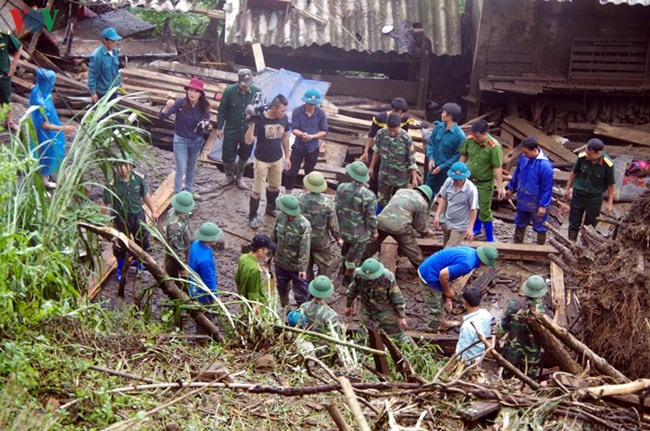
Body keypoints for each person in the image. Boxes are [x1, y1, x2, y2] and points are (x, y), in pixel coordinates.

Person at [102, 152, 158, 281]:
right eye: (119, 165)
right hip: (120, 218)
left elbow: (145, 195)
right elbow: (105, 202)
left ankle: (140, 262)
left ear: (131, 166)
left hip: (137, 215)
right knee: (120, 244)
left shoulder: (138, 179)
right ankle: (121, 269)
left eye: (125, 165)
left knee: (142, 240)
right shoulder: (112, 184)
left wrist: (153, 210)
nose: (122, 168)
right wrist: (102, 221)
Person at [418, 246, 499, 332]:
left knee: (442, 299)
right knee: (435, 307)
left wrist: (447, 293)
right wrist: (447, 290)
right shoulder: (467, 264)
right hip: (429, 275)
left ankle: (443, 323)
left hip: (434, 268)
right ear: (484, 261)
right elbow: (443, 274)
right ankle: (432, 331)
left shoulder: (471, 252)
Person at [159, 77, 211, 197]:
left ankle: (187, 193)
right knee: (181, 169)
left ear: (200, 94)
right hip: (180, 141)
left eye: (196, 91)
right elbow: (162, 116)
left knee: (191, 169)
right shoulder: (180, 103)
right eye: (190, 90)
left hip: (196, 141)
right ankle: (177, 196)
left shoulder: (204, 106)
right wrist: (167, 106)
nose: (192, 93)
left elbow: (207, 120)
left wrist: (206, 124)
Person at [245, 94, 291, 229]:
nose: (284, 113)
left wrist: (287, 157)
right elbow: (248, 140)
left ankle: (270, 208)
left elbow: (285, 138)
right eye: (282, 110)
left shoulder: (284, 119)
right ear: (274, 108)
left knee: (274, 187)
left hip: (277, 159)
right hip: (261, 160)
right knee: (257, 190)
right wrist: (251, 124)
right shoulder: (260, 120)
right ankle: (253, 216)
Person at [363, 185, 434, 269]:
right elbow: (420, 226)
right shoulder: (422, 203)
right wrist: (426, 232)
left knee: (369, 247)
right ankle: (423, 269)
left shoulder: (401, 191)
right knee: (413, 251)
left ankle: (353, 264)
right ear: (427, 198)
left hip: (381, 221)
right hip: (400, 228)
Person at [345, 258, 411, 346]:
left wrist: (401, 316)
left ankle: (404, 350)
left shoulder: (387, 278)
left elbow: (396, 297)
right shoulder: (358, 275)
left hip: (385, 311)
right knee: (363, 336)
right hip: (367, 309)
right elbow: (352, 290)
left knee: (396, 336)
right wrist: (348, 305)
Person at [459, 119, 505, 242]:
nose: (474, 138)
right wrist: (458, 170)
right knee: (471, 205)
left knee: (484, 209)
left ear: (485, 134)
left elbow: (497, 167)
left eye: (477, 136)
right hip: (469, 180)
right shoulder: (469, 141)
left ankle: (490, 237)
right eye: (473, 135)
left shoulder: (494, 147)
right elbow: (464, 156)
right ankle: (476, 228)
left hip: (485, 183)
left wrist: (500, 186)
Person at [29, 69, 76, 187]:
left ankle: (44, 179)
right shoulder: (39, 100)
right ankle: (39, 184)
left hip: (48, 131)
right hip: (44, 134)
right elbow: (43, 124)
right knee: (46, 155)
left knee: (46, 155)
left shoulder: (40, 91)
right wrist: (63, 128)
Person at [216, 68, 262, 189]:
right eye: (244, 85)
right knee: (227, 154)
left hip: (248, 131)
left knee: (245, 154)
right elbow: (222, 110)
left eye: (248, 85)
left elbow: (261, 113)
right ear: (238, 82)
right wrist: (219, 127)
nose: (246, 88)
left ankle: (239, 178)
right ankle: (229, 176)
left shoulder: (257, 92)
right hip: (232, 128)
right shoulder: (229, 91)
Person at [497, 275, 549, 379]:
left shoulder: (514, 305)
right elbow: (550, 335)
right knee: (528, 384)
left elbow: (501, 329)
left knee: (508, 382)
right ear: (542, 292)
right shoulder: (545, 312)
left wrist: (496, 340)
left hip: (512, 354)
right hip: (532, 357)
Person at [563, 138, 615, 242]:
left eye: (590, 154)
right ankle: (571, 243)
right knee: (573, 222)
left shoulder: (608, 164)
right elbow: (574, 172)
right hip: (578, 195)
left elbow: (611, 184)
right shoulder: (582, 157)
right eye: (586, 152)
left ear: (598, 153)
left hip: (594, 199)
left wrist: (609, 202)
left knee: (590, 225)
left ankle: (584, 246)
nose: (587, 155)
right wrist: (567, 188)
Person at [336, 161, 378, 287]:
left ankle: (342, 269)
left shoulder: (341, 188)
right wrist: (374, 231)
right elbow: (370, 217)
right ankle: (347, 279)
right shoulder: (369, 195)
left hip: (342, 229)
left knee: (344, 250)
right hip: (358, 234)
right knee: (354, 257)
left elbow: (336, 206)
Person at [506, 136, 554, 245]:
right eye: (523, 152)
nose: (524, 155)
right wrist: (511, 188)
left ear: (534, 150)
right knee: (520, 221)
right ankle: (517, 244)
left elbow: (547, 188)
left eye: (527, 153)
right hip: (523, 198)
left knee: (540, 224)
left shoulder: (545, 166)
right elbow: (517, 174)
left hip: (536, 201)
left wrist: (543, 205)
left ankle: (540, 248)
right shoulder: (523, 158)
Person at [298, 171, 343, 280]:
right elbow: (333, 224)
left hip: (304, 239)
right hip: (321, 241)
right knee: (324, 265)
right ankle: (320, 286)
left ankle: (308, 285)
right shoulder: (328, 203)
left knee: (307, 263)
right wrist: (338, 238)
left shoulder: (300, 199)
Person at [369, 113, 419, 209]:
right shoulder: (381, 134)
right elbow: (376, 152)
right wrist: (371, 167)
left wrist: (414, 178)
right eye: (390, 130)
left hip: (401, 177)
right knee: (382, 199)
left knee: (399, 201)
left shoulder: (406, 138)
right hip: (384, 175)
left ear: (400, 126)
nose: (392, 133)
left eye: (394, 131)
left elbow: (411, 160)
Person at [361, 97, 410, 193]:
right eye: (400, 113)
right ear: (393, 110)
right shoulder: (379, 118)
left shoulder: (405, 119)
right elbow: (371, 135)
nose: (402, 115)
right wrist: (366, 151)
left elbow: (405, 136)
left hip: (396, 154)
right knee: (375, 177)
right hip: (381, 152)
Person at [284, 89, 328, 195]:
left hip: (313, 148)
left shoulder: (321, 113)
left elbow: (324, 131)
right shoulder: (297, 111)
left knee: (309, 174)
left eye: (313, 104)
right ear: (305, 102)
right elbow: (294, 129)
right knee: (291, 172)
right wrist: (302, 134)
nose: (310, 106)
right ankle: (287, 195)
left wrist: (312, 136)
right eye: (309, 104)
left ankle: (305, 195)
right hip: (298, 146)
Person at [272, 195, 311, 309]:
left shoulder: (303, 224)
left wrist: (302, 269)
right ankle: (286, 310)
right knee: (282, 289)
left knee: (301, 294)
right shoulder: (280, 217)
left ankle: (300, 315)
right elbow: (273, 237)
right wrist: (269, 256)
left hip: (295, 267)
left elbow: (305, 248)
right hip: (280, 263)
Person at [434, 161, 478, 248]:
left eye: (460, 179)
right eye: (455, 179)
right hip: (448, 221)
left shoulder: (471, 190)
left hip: (460, 226)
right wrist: (437, 215)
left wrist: (470, 228)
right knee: (445, 247)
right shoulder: (449, 181)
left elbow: (474, 209)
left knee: (447, 251)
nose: (457, 181)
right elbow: (443, 198)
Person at [425, 103, 465, 196]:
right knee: (426, 193)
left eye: (444, 112)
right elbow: (431, 144)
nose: (442, 114)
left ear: (450, 116)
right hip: (433, 168)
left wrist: (442, 167)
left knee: (444, 197)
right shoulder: (439, 127)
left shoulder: (459, 136)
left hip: (446, 173)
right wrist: (431, 158)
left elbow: (457, 156)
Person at [235, 234, 276, 312]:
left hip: (244, 301)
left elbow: (237, 280)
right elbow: (253, 297)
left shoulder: (243, 258)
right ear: (260, 251)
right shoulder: (255, 270)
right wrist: (258, 315)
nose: (267, 252)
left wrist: (240, 296)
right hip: (255, 307)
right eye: (266, 249)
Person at [455, 286, 492, 364]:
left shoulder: (467, 326)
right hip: (479, 355)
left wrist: (459, 363)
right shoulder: (486, 314)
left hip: (469, 361)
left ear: (465, 303)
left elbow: (462, 351)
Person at [188, 222, 222, 305]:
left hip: (193, 284)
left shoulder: (196, 244)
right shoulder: (205, 260)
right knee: (206, 313)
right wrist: (216, 297)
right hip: (202, 294)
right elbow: (208, 281)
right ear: (209, 239)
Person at [164, 191, 195, 281]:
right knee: (179, 284)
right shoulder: (175, 226)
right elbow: (176, 250)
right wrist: (182, 267)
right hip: (176, 262)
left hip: (185, 249)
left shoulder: (176, 211)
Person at [88, 27, 123, 103]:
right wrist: (93, 93)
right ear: (105, 40)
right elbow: (92, 76)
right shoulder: (97, 56)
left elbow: (116, 70)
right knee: (103, 114)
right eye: (112, 41)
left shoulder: (115, 52)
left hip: (113, 90)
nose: (115, 43)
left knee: (111, 112)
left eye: (116, 41)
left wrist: (120, 83)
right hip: (102, 93)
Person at [0, 29, 23, 131]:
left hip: (3, 75)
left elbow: (19, 47)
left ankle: (8, 122)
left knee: (6, 99)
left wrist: (14, 65)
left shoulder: (4, 35)